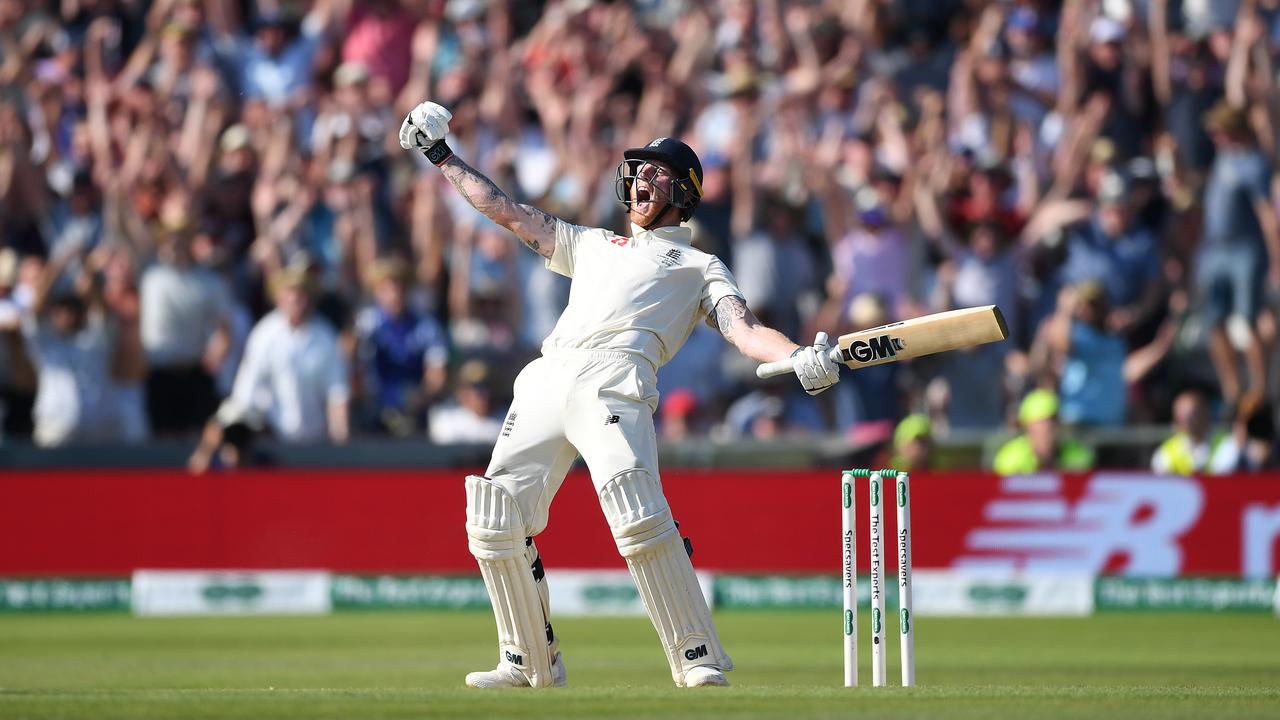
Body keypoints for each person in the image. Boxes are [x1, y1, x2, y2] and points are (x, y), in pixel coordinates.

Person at [399, 101, 840, 689]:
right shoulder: (588, 243)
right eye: (638, 170)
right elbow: (503, 211)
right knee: (493, 515)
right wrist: (440, 155)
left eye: (656, 173)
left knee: (636, 514)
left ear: (684, 192)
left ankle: (696, 656)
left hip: (616, 380)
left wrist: (795, 356)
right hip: (549, 373)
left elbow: (745, 330)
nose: (639, 181)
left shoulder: (699, 264)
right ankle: (528, 661)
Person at [993, 389, 1094, 476]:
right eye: (1042, 422)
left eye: (1054, 420)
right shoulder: (1010, 457)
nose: (1049, 427)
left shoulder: (1079, 455)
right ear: (1028, 427)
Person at [1151, 388, 1230, 476]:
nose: (1187, 419)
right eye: (1182, 414)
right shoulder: (1165, 453)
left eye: (1192, 413)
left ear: (1205, 412)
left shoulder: (1225, 442)